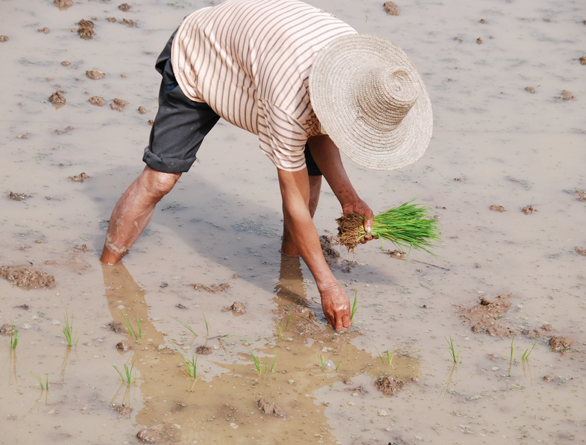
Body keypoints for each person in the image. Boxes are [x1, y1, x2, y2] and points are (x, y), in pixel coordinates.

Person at [100, 0, 432, 330]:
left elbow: (324, 126)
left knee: (311, 178)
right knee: (161, 178)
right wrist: (327, 285)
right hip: (202, 52)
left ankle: (290, 263)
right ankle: (106, 270)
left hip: (264, 55)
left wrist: (349, 199)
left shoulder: (356, 65)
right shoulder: (288, 103)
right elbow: (293, 198)